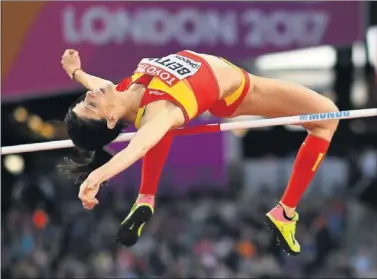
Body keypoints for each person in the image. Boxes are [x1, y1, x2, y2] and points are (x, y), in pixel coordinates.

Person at [60, 49, 339, 255]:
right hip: (240, 90)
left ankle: (146, 199)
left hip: (210, 81)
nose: (92, 95)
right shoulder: (160, 112)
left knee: (157, 130)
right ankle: (286, 212)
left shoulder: (121, 93)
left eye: (85, 100)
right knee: (328, 118)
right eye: (91, 105)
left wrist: (76, 72)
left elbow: (95, 87)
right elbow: (139, 147)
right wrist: (95, 177)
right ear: (110, 120)